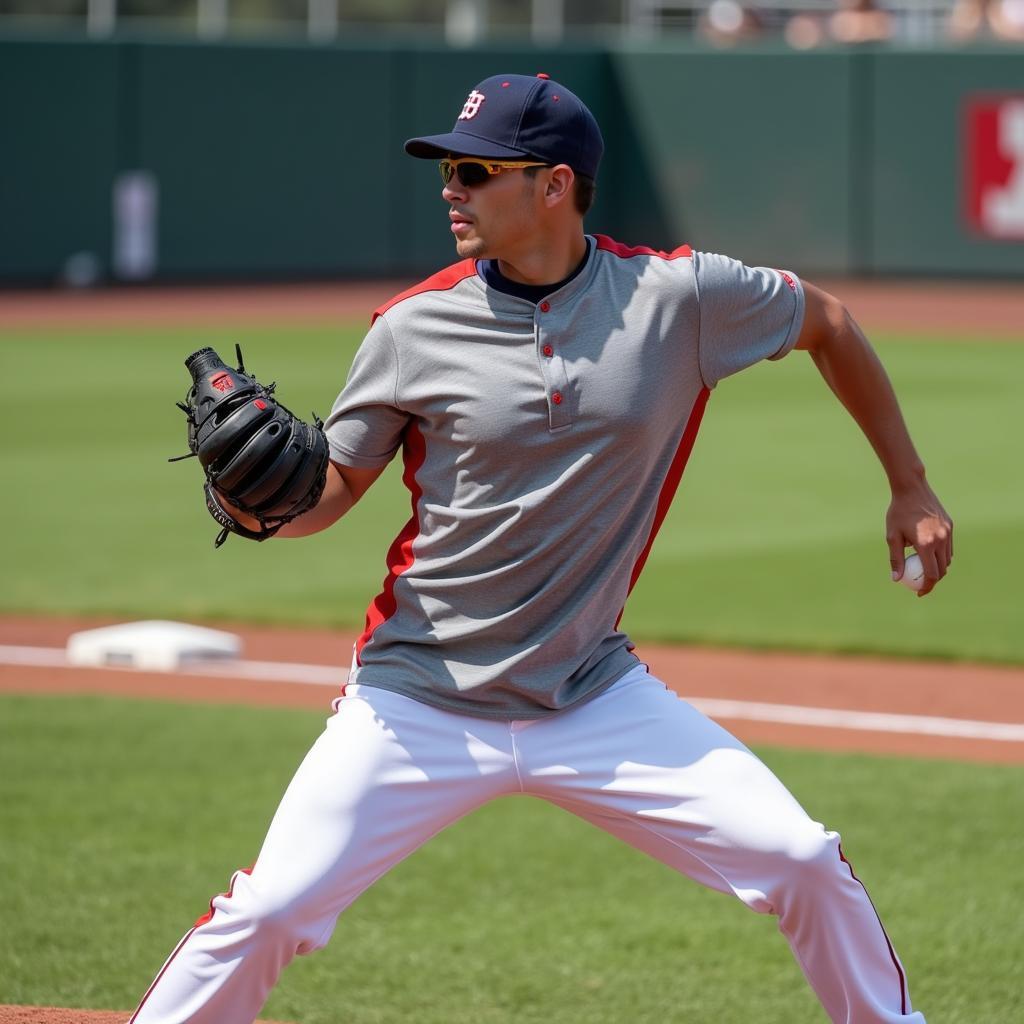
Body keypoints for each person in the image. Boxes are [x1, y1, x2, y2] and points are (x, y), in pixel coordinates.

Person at [129, 72, 952, 1024]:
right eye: (447, 170)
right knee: (272, 908)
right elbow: (332, 493)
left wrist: (909, 481)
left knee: (802, 860)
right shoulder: (411, 327)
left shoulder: (678, 298)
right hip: (415, 699)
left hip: (590, 695)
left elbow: (829, 322)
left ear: (554, 185)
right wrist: (258, 498)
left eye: (475, 171)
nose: (451, 189)